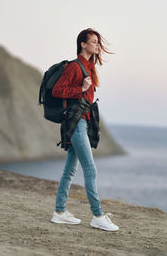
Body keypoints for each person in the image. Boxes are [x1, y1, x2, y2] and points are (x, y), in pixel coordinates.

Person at [50, 28, 119, 231]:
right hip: (76, 123)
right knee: (90, 169)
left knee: (70, 170)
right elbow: (57, 91)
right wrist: (79, 89)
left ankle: (59, 212)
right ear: (83, 44)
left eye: (98, 42)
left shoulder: (89, 67)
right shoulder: (74, 66)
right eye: (94, 41)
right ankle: (97, 215)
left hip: (82, 122)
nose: (98, 45)